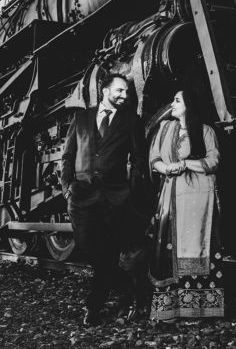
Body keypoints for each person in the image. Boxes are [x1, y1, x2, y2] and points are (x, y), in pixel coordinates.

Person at [61, 71, 149, 326]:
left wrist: (130, 189)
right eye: (120, 90)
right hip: (81, 196)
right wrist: (68, 187)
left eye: (127, 92)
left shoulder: (132, 120)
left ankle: (94, 307)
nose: (125, 95)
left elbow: (139, 157)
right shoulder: (81, 117)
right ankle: (126, 287)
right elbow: (68, 156)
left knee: (108, 253)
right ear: (105, 91)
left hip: (115, 196)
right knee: (87, 247)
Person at [148, 88, 224, 321]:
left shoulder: (205, 131)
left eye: (177, 100)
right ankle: (168, 311)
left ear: (189, 105)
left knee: (198, 249)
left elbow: (214, 160)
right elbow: (155, 159)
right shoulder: (165, 129)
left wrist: (185, 164)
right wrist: (168, 168)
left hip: (198, 201)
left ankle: (198, 310)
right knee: (167, 251)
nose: (172, 103)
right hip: (172, 199)